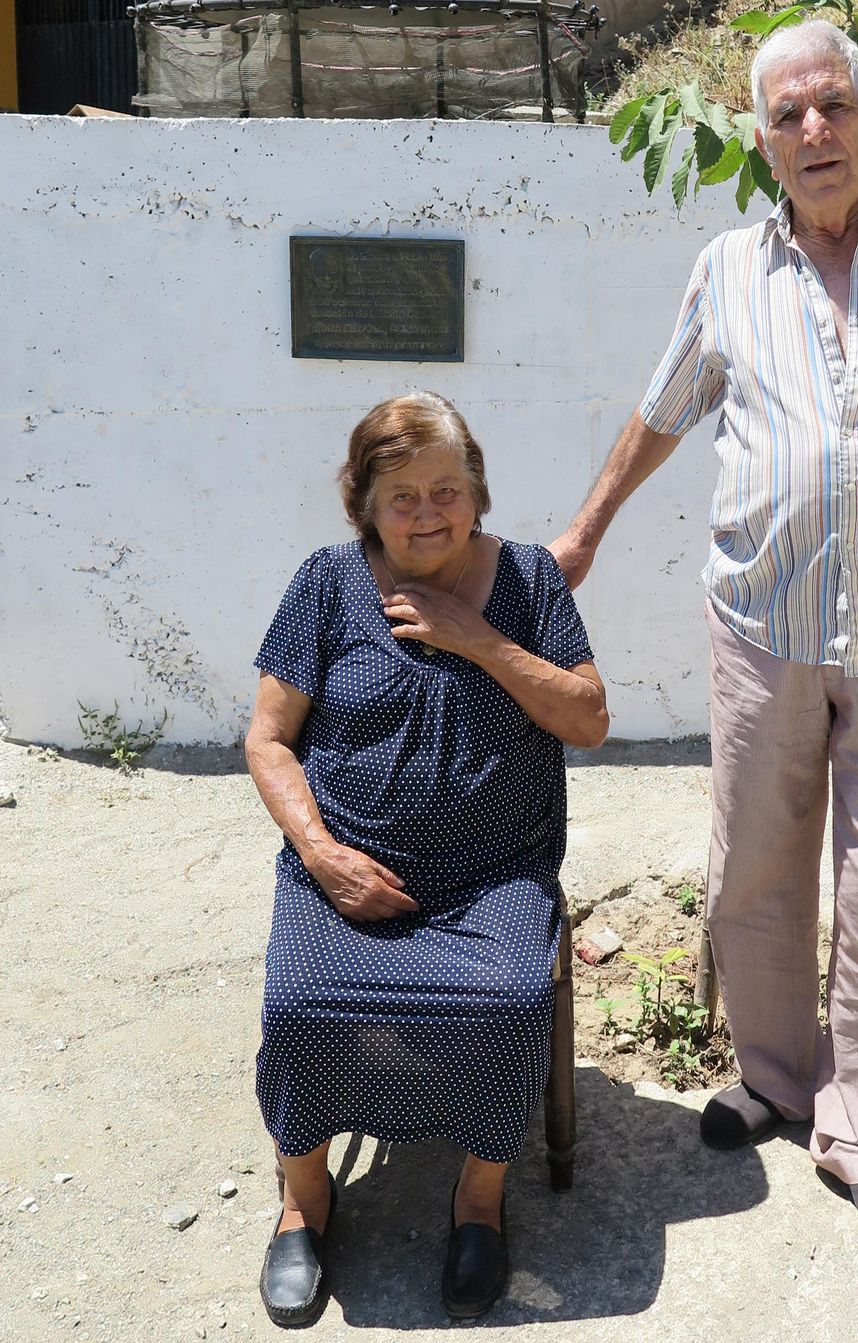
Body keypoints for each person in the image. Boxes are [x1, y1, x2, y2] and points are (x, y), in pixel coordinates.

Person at [551, 20, 858, 1254]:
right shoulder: (727, 271)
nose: (813, 131)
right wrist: (587, 533)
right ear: (762, 142)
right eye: (787, 115)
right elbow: (663, 412)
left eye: (833, 106)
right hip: (762, 630)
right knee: (755, 864)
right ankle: (772, 1071)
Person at [246, 392, 607, 1326]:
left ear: (478, 492)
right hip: (348, 872)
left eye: (446, 488)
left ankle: (478, 1197)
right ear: (363, 502)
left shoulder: (529, 582)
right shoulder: (325, 585)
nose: (426, 511)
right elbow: (269, 741)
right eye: (398, 494)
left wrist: (476, 638)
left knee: (510, 997)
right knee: (301, 998)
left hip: (493, 876)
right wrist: (323, 856)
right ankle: (303, 1198)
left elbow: (588, 719)